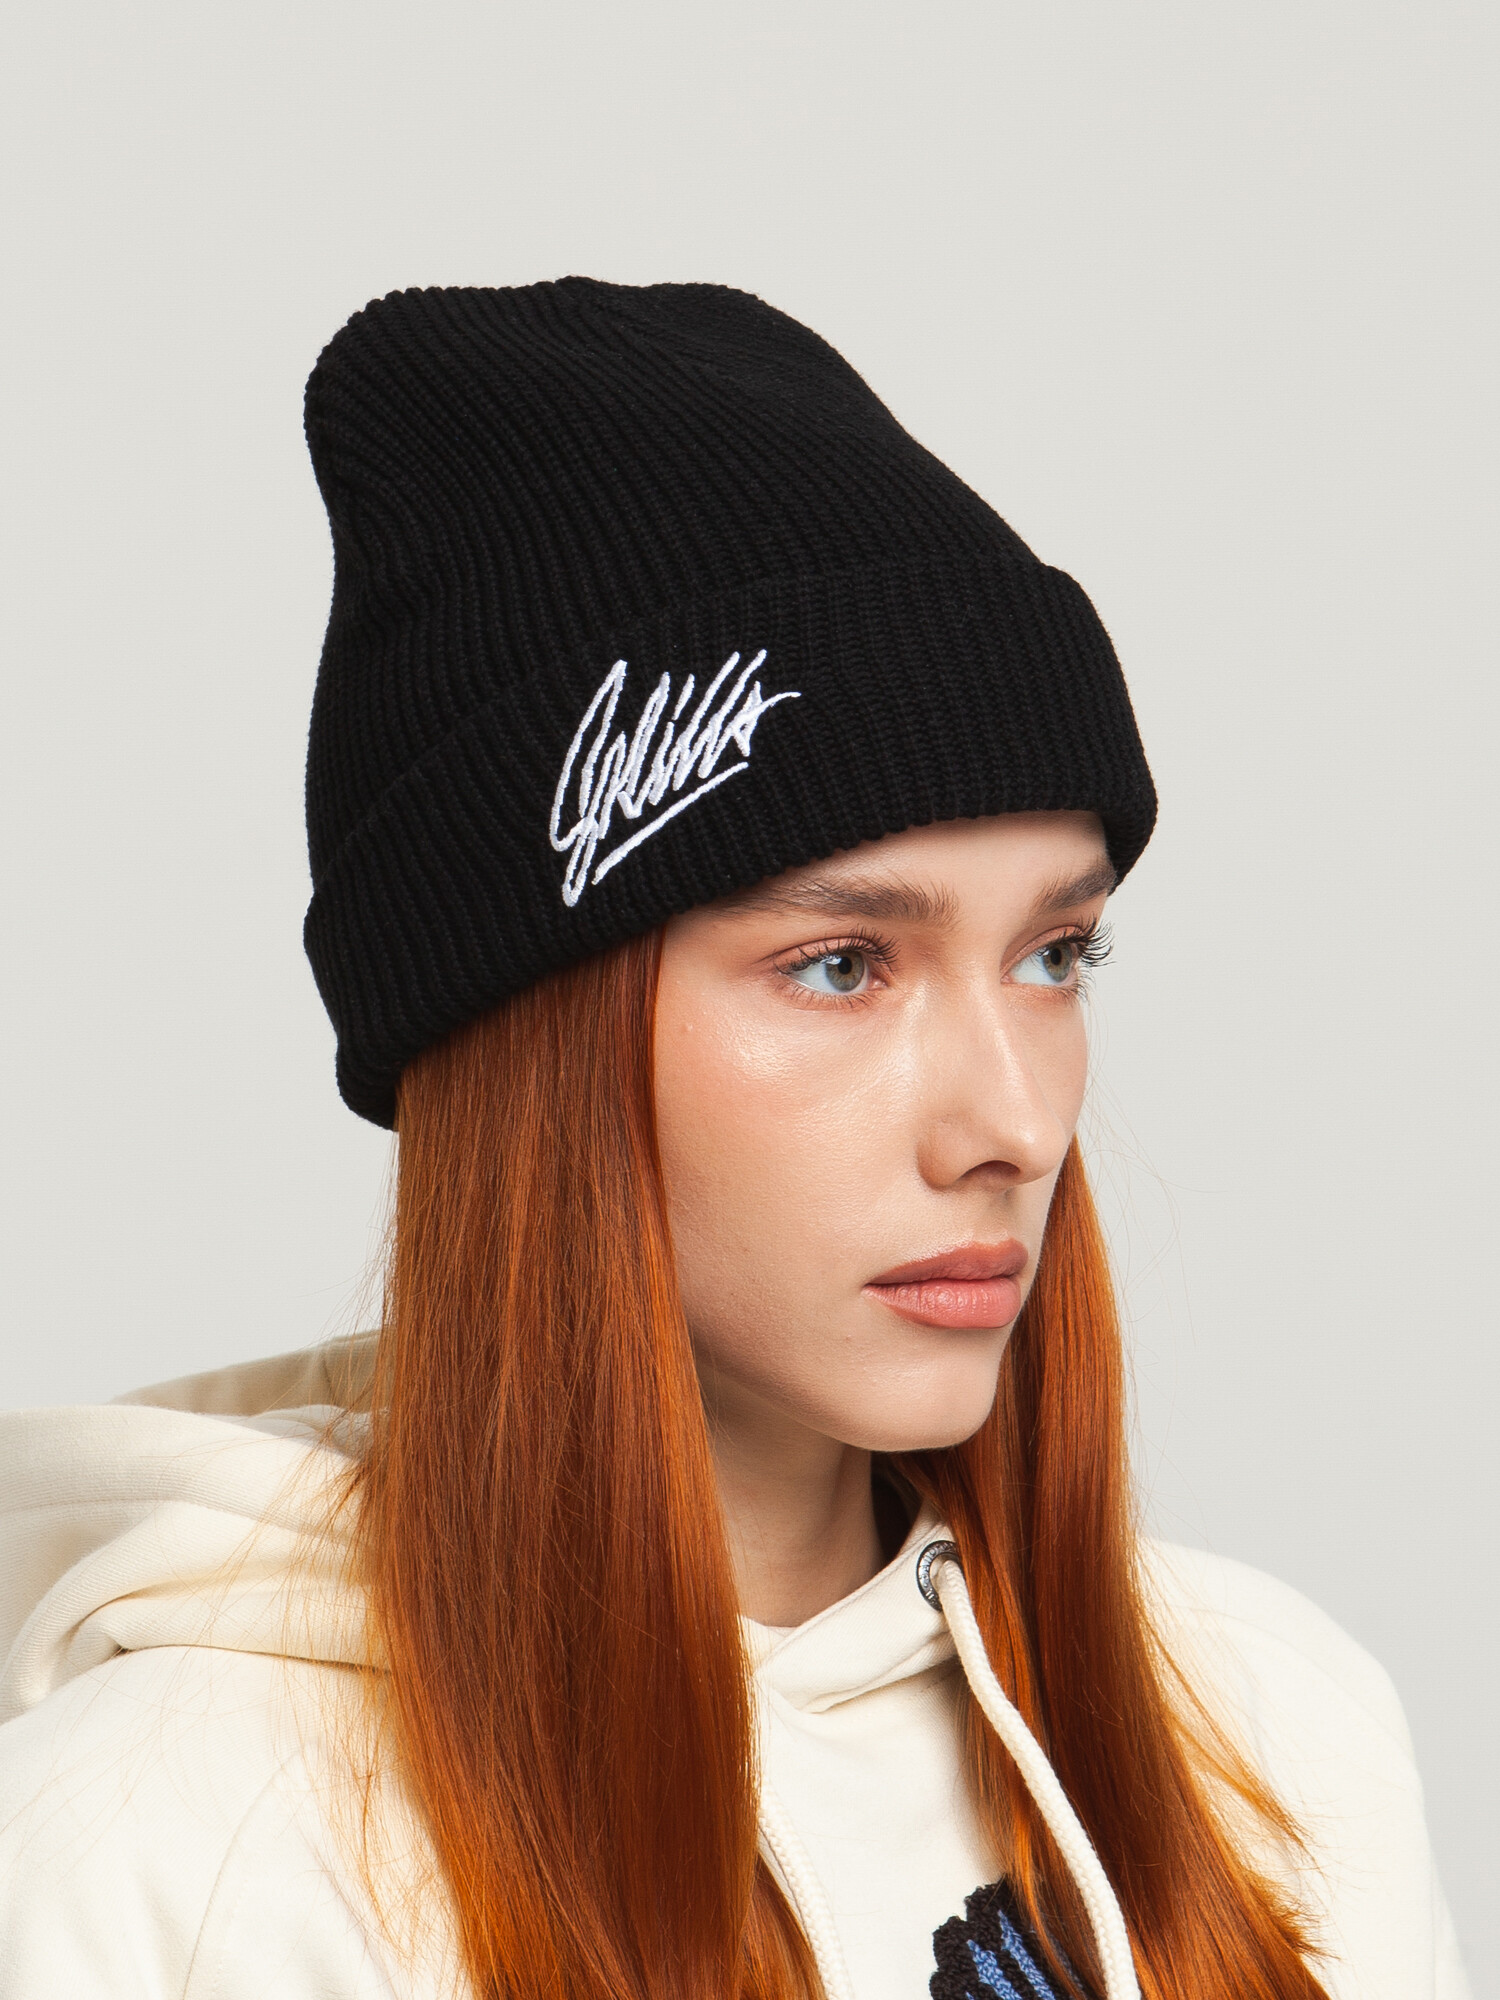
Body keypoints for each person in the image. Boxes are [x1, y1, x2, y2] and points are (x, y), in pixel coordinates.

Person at [0, 280, 1468, 2000]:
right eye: (842, 966)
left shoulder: (1270, 1728)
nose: (1014, 1124)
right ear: (528, 1044)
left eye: (1056, 954)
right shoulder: (155, 1861)